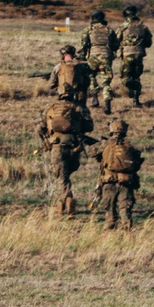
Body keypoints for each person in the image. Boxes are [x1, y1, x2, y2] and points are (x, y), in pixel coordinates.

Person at [36, 88, 95, 218]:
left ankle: (69, 202)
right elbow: (89, 126)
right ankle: (62, 203)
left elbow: (40, 128)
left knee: (62, 177)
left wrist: (46, 138)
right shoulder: (80, 108)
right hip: (74, 147)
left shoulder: (50, 109)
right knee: (66, 175)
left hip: (57, 148)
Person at [93, 119, 143, 230]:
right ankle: (127, 228)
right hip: (126, 182)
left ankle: (109, 230)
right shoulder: (129, 146)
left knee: (109, 208)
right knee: (125, 208)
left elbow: (93, 153)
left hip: (108, 181)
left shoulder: (106, 144)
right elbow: (137, 164)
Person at [79, 10, 119, 115]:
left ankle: (95, 98)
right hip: (106, 57)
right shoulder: (109, 31)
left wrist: (82, 56)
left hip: (93, 56)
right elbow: (116, 45)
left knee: (91, 77)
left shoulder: (88, 30)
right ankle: (107, 105)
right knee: (106, 81)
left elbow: (84, 45)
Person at [115, 5, 154, 107]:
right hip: (139, 53)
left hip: (127, 54)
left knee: (124, 76)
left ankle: (129, 86)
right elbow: (149, 43)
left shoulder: (123, 27)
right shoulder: (143, 27)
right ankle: (136, 100)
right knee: (136, 77)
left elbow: (115, 41)